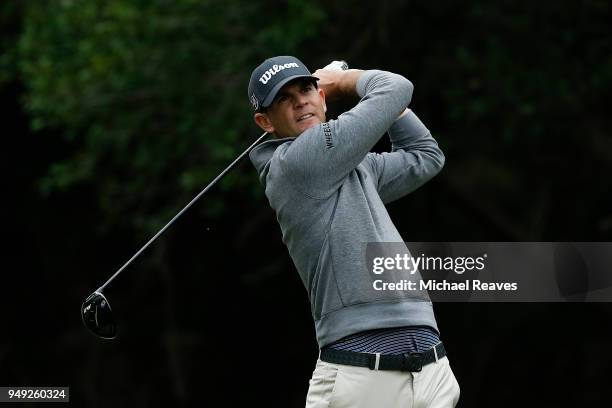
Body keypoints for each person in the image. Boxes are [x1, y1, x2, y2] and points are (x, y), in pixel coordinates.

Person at [247, 56, 460, 407]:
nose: (301, 101)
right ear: (264, 122)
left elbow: (425, 156)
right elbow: (396, 87)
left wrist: (390, 107)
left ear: (322, 99)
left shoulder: (353, 166)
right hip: (359, 374)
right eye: (284, 98)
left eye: (306, 89)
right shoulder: (296, 164)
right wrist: (341, 79)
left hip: (430, 369)